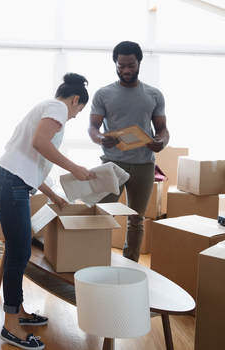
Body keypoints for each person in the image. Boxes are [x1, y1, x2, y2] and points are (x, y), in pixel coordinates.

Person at [0, 72, 96, 350]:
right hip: (10, 183)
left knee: (15, 249)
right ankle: (10, 326)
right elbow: (40, 144)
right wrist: (75, 168)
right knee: (21, 252)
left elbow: (32, 162)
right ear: (74, 100)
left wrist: (54, 195)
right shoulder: (58, 107)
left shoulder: (46, 107)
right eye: (78, 111)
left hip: (8, 180)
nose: (73, 117)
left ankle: (18, 312)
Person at [88, 41, 170, 263]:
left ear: (139, 63)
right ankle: (98, 261)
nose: (126, 70)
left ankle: (131, 264)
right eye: (121, 65)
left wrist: (161, 141)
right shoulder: (103, 93)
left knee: (137, 219)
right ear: (115, 64)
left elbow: (162, 129)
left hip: (144, 165)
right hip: (112, 164)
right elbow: (93, 128)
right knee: (104, 215)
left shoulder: (153, 94)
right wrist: (102, 140)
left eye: (131, 65)